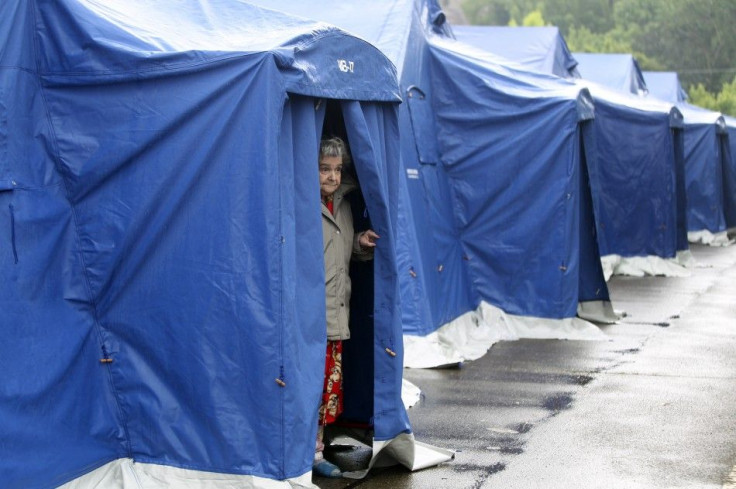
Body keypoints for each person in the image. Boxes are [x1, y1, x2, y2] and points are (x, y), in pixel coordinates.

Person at [313, 136, 379, 478]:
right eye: (324, 169)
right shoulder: (303, 203)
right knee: (311, 386)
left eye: (337, 170)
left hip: (337, 309)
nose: (333, 177)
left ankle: (318, 447)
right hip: (312, 316)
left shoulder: (341, 204)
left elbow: (338, 251)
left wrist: (360, 243)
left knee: (327, 389)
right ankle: (310, 452)